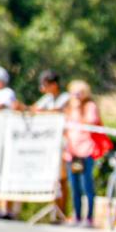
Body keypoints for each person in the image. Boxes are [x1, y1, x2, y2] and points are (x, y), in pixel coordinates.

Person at [31, 70, 72, 218]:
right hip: (50, 143)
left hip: (63, 143)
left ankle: (63, 211)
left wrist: (46, 112)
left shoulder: (65, 98)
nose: (43, 88)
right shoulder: (47, 99)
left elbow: (62, 111)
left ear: (54, 85)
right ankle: (55, 211)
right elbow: (35, 109)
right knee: (54, 178)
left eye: (45, 85)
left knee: (62, 178)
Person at [63, 79, 100, 226]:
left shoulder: (89, 106)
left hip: (86, 152)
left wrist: (79, 109)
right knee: (75, 186)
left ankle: (89, 217)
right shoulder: (69, 107)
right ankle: (77, 215)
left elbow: (92, 122)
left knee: (87, 185)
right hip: (73, 154)